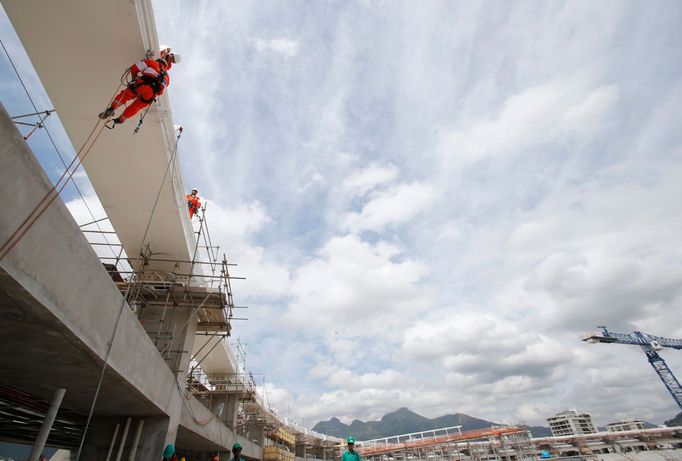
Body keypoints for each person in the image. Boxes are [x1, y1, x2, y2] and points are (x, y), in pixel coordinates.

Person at [99, 50, 181, 125]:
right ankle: (121, 119)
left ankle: (113, 107)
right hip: (150, 96)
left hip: (142, 85)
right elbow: (160, 92)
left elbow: (135, 68)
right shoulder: (167, 78)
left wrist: (134, 78)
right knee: (136, 106)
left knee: (126, 95)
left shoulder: (152, 62)